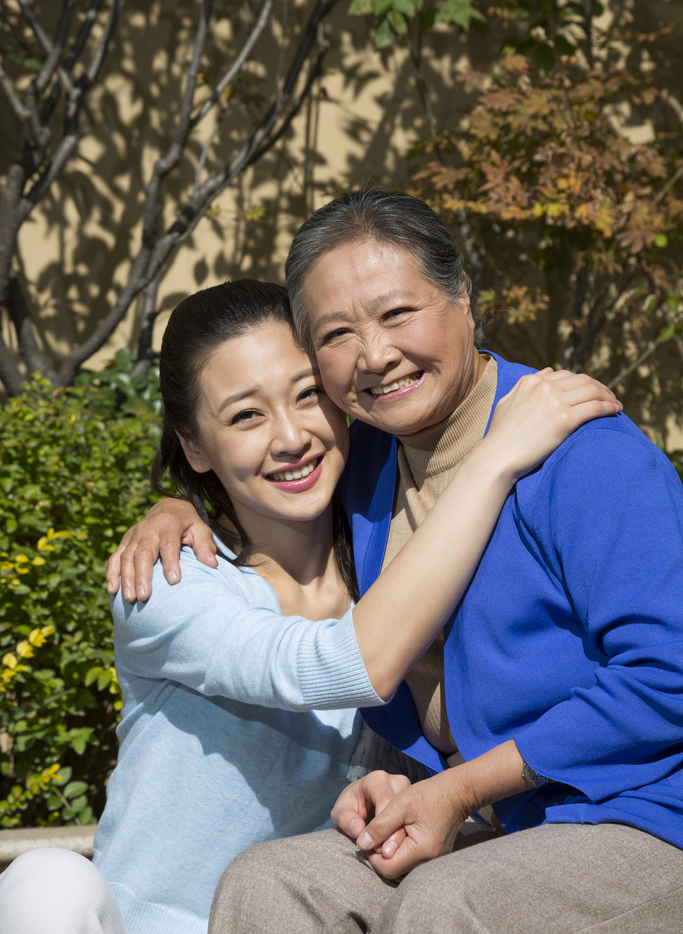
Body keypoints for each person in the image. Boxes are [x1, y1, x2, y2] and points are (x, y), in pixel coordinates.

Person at [113, 190, 683, 934]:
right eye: (338, 333)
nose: (375, 354)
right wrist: (183, 505)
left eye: (396, 314)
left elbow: (667, 675)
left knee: (444, 904)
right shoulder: (367, 460)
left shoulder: (580, 450)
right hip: (501, 822)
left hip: (639, 815)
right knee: (271, 883)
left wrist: (457, 789)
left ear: (462, 300)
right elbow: (267, 487)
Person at [0, 276, 618, 934]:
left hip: (303, 914)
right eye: (245, 415)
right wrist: (494, 458)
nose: (290, 436)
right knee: (48, 878)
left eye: (306, 396)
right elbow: (343, 663)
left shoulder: (397, 572)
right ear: (194, 446)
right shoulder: (173, 582)